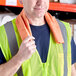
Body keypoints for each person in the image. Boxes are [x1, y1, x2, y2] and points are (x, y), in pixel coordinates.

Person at [0, 0, 75, 76]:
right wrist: (19, 59)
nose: (41, 2)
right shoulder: (4, 34)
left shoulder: (64, 30)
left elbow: (72, 71)